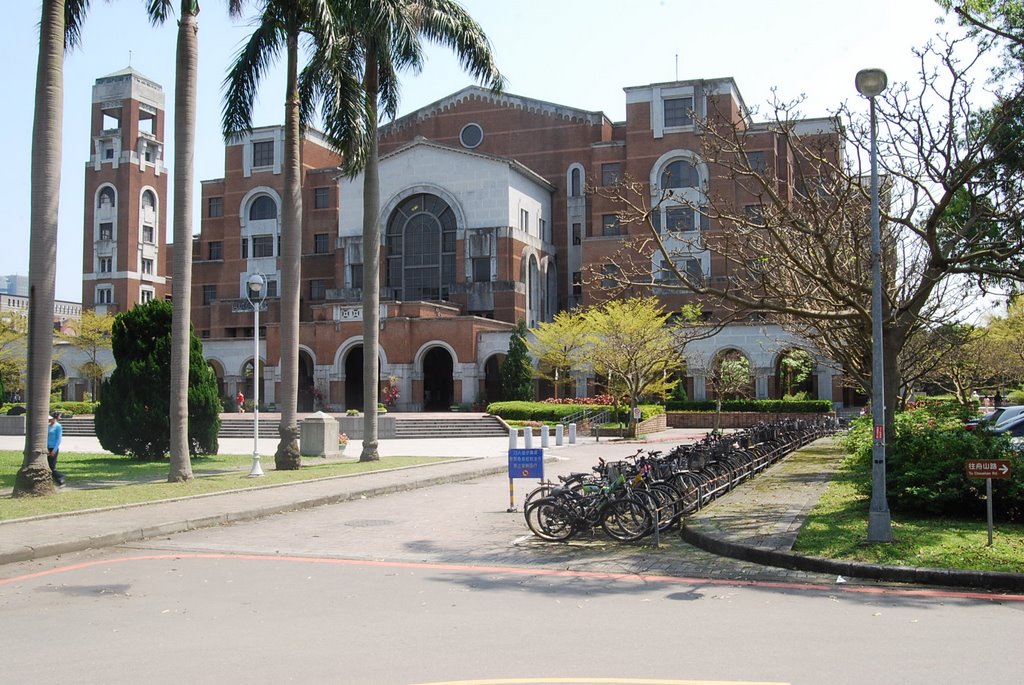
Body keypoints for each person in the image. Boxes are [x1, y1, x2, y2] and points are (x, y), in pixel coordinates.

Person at [47, 412, 65, 486]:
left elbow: (59, 439)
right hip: (47, 448)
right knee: (48, 466)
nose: (49, 420)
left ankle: (60, 478)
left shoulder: (58, 426)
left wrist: (54, 450)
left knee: (52, 467)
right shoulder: (48, 426)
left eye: (50, 419)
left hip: (53, 448)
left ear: (54, 419)